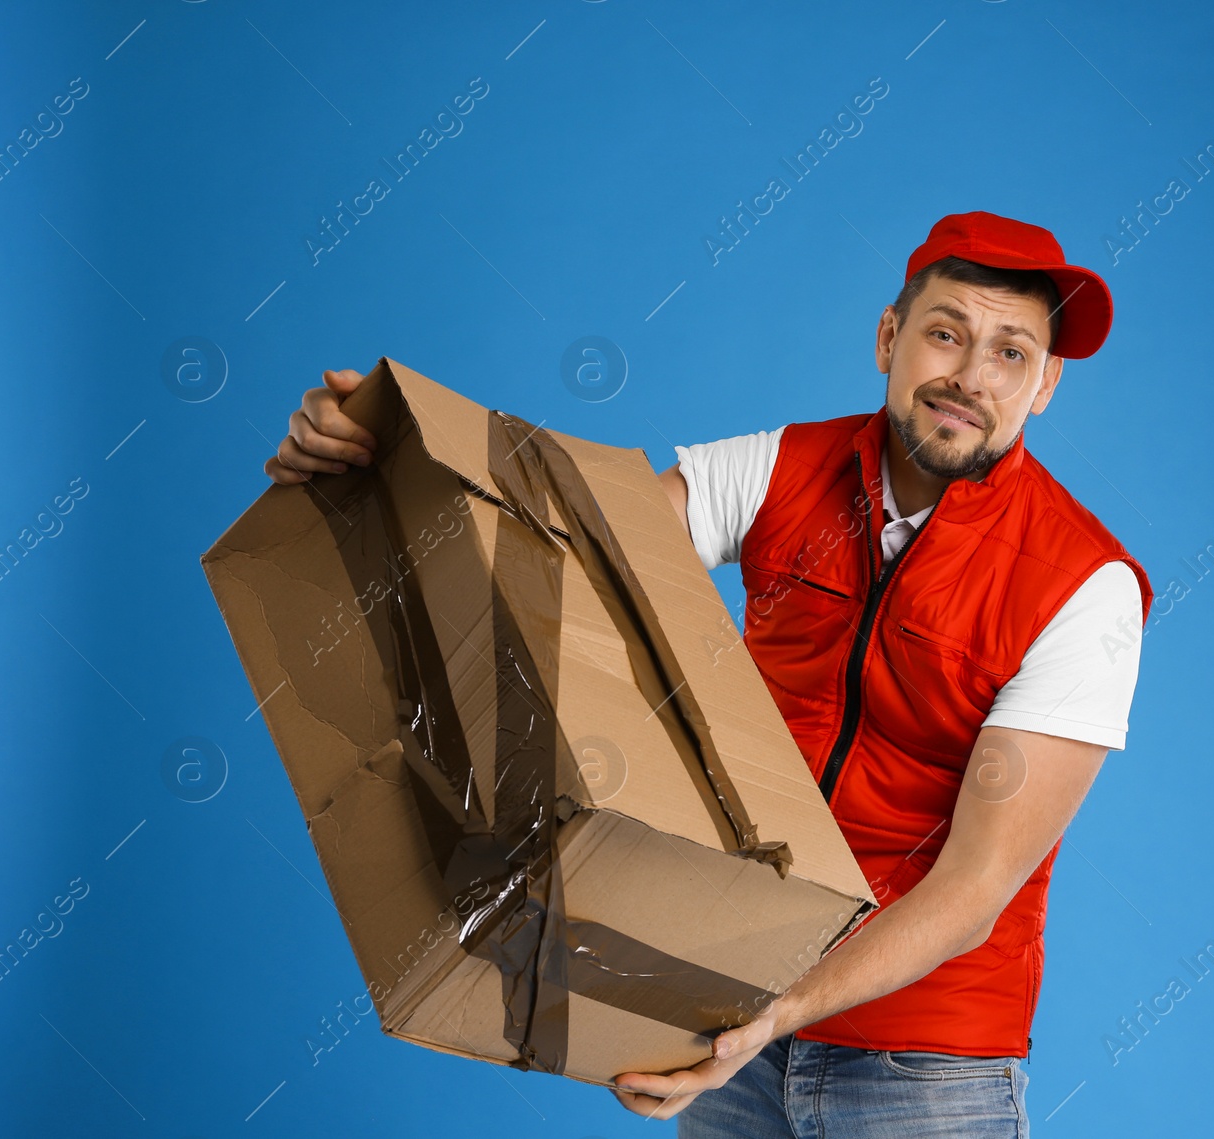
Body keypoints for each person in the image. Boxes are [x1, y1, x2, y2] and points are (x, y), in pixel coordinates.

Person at [264, 211, 1152, 1138]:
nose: (971, 377)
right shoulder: (780, 469)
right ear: (889, 337)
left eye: (1012, 353)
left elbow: (975, 888)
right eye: (945, 333)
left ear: (1046, 383)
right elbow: (551, 553)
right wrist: (375, 454)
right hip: (732, 1024)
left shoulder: (1084, 587)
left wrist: (775, 1007)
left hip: (923, 1068)